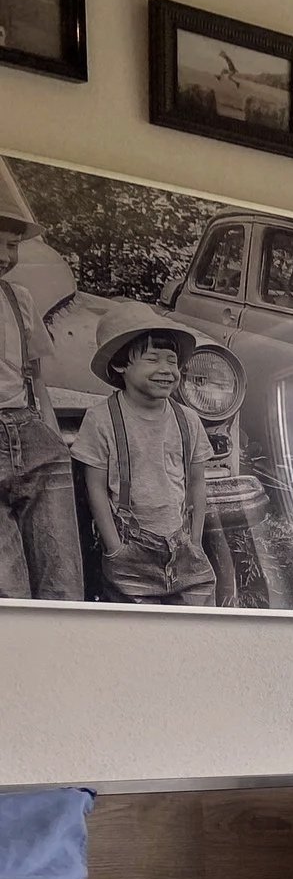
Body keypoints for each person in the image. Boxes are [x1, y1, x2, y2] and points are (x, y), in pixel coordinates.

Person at [72, 302, 215, 606]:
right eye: (153, 359)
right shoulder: (102, 419)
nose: (167, 370)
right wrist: (114, 547)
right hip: (130, 554)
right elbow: (95, 487)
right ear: (121, 364)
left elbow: (198, 483)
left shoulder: (187, 420)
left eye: (172, 361)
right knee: (138, 636)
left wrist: (197, 540)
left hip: (184, 545)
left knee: (201, 629)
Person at [0, 164, 80, 602]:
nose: (3, 254)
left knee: (61, 574)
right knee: (6, 584)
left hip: (31, 432)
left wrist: (51, 435)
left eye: (10, 244)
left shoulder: (19, 298)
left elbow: (36, 377)